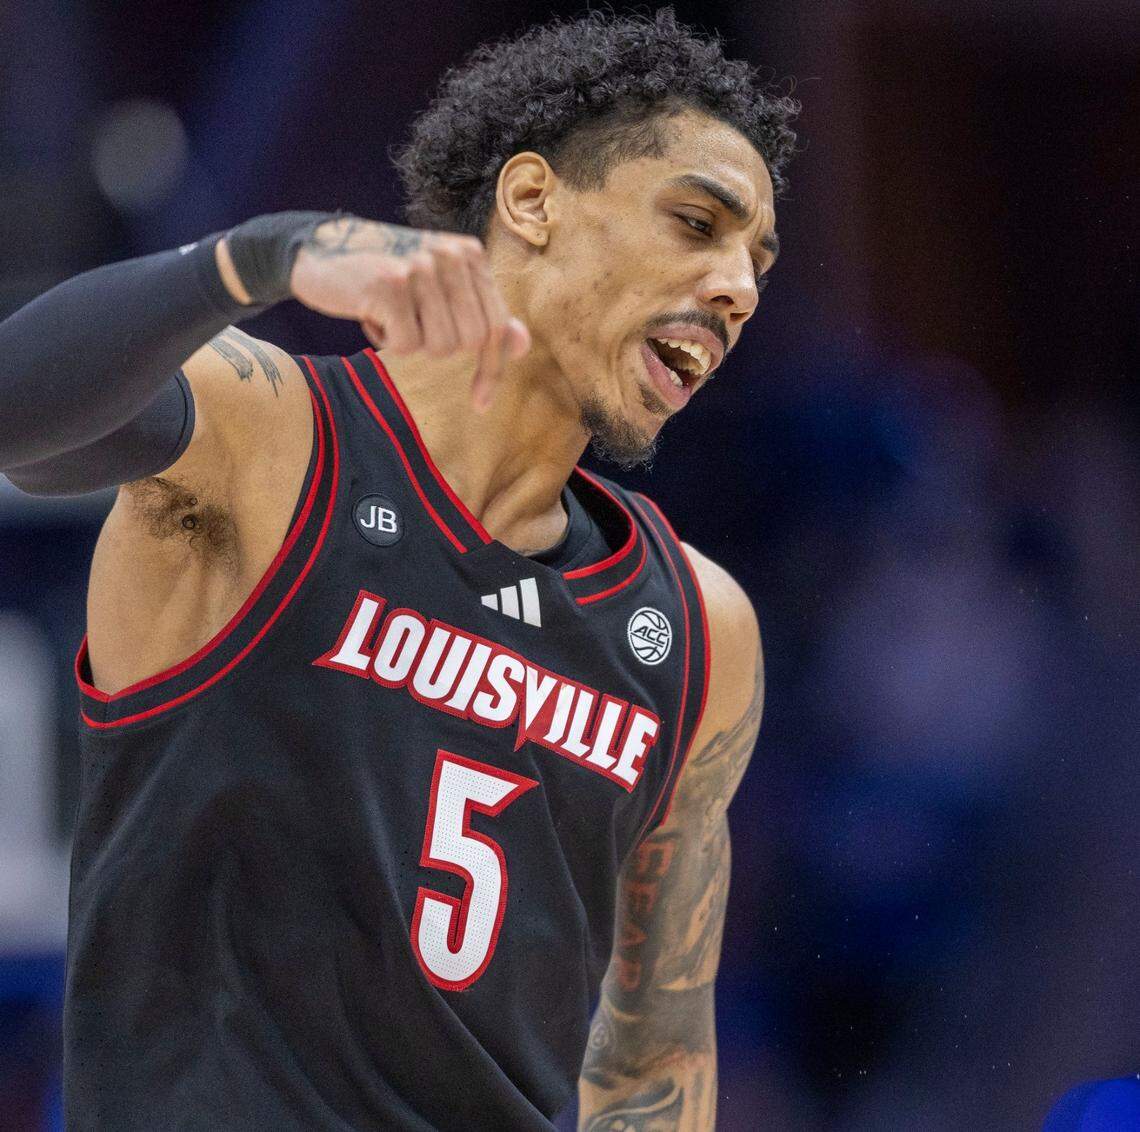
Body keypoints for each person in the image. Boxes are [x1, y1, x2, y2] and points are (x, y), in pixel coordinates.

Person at [0, 9, 796, 1130]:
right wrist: (254, 257)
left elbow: (654, 1059)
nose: (739, 287)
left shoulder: (703, 626)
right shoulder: (270, 436)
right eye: (697, 223)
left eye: (758, 260)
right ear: (533, 200)